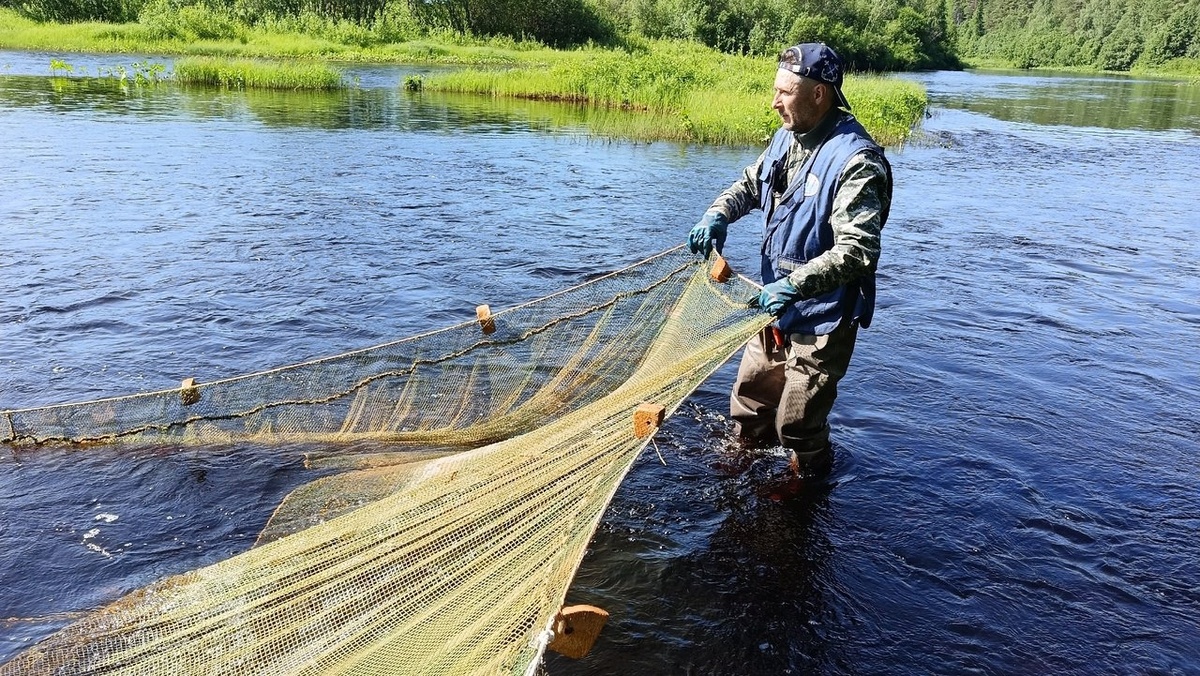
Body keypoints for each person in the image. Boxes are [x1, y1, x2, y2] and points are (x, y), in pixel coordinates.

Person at [688, 43, 893, 476]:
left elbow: (858, 250)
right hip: (773, 307)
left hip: (824, 318)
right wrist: (718, 213)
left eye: (785, 92)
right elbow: (751, 184)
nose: (774, 102)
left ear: (819, 93)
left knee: (797, 425)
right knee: (750, 403)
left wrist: (793, 286)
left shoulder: (857, 160)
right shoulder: (788, 135)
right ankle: (742, 467)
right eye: (775, 90)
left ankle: (806, 489)